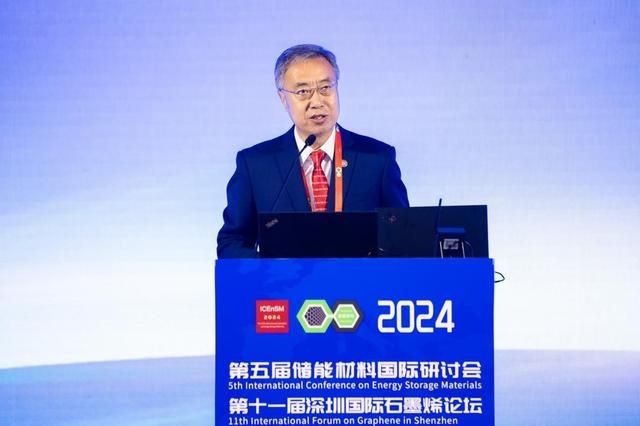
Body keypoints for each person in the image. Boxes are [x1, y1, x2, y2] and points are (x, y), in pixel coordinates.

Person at [217, 44, 409, 258]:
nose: (317, 101)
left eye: (326, 88)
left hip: (357, 280)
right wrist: (271, 267)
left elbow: (403, 239)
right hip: (285, 280)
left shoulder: (377, 160)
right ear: (283, 98)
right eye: (303, 92)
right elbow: (231, 242)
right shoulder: (255, 165)